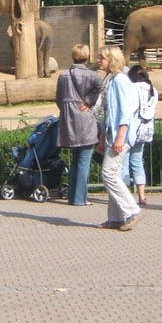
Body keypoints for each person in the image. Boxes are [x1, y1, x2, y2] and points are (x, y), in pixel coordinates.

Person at [95, 47, 142, 231]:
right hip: (110, 135)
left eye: (102, 58)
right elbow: (109, 113)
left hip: (119, 136)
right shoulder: (111, 80)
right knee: (112, 174)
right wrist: (101, 137)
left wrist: (121, 136)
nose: (99, 61)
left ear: (112, 60)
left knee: (109, 174)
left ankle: (132, 211)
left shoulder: (121, 80)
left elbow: (125, 111)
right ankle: (115, 218)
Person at [55, 44, 104, 206]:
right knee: (84, 162)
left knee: (75, 161)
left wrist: (68, 110)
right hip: (86, 123)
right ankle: (80, 198)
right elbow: (99, 88)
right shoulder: (94, 75)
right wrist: (88, 102)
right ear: (87, 57)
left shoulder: (63, 76)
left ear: (73, 56)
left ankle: (72, 196)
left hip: (69, 124)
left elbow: (59, 99)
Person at [125, 62, 158, 205]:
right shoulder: (153, 90)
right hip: (146, 129)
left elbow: (128, 109)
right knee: (138, 161)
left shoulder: (132, 88)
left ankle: (125, 196)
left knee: (124, 163)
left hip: (131, 129)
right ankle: (142, 195)